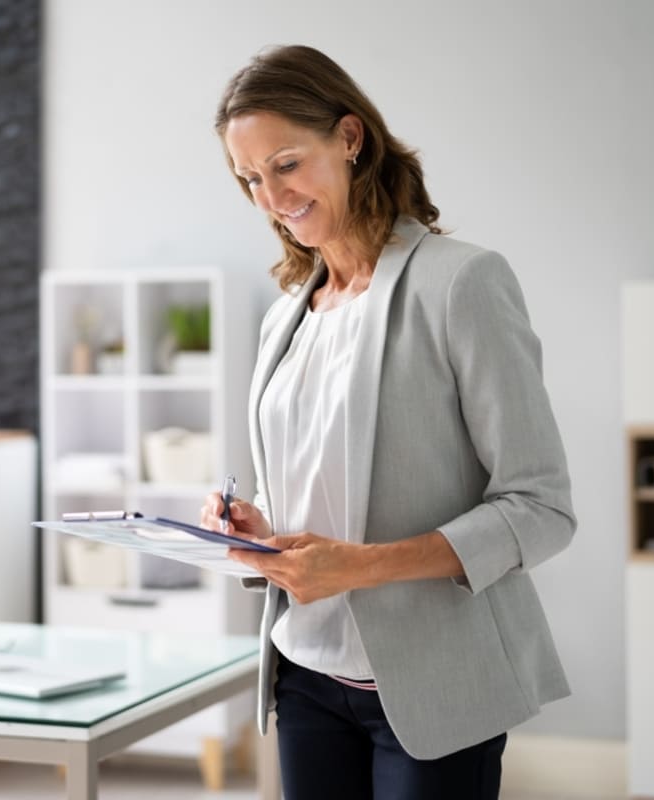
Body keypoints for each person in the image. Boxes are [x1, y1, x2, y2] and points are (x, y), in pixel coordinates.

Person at [200, 45, 576, 799]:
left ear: (349, 137)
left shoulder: (460, 282)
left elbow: (541, 510)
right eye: (249, 179)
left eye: (285, 164)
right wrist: (259, 533)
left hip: (431, 683)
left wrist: (361, 566)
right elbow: (328, 497)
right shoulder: (286, 318)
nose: (271, 197)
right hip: (304, 676)